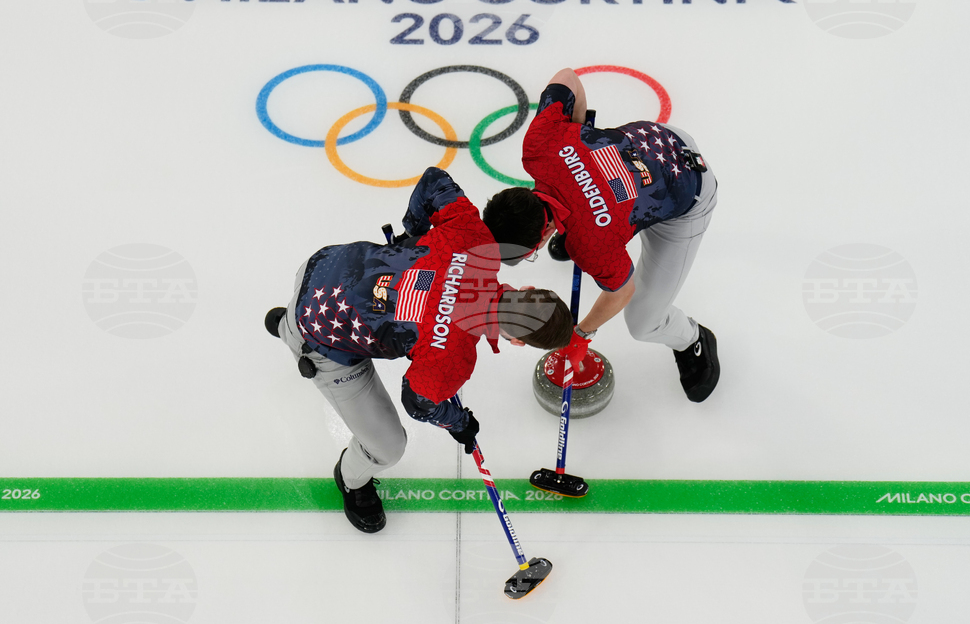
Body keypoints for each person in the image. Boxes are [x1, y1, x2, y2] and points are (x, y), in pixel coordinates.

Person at [265, 167, 573, 534]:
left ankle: (289, 320)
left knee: (377, 314)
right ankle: (352, 479)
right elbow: (418, 401)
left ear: (529, 288)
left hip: (324, 265)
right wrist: (457, 422)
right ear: (519, 341)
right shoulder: (455, 356)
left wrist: (413, 238)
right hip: (323, 332)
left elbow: (433, 180)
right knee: (387, 447)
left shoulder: (478, 240)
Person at [482, 68, 720, 403]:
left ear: (540, 237)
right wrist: (577, 133)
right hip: (659, 140)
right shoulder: (539, 145)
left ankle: (691, 338)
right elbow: (568, 77)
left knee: (643, 320)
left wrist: (581, 334)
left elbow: (621, 292)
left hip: (687, 195)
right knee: (600, 223)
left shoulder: (591, 245)